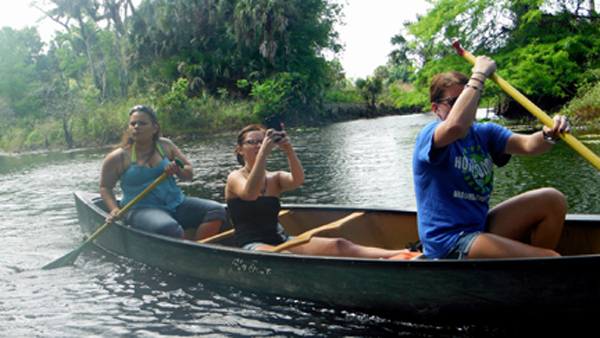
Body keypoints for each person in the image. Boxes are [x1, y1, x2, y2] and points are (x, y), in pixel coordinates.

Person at [413, 56, 571, 260]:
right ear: (436, 109)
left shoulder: (484, 133)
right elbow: (455, 125)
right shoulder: (430, 134)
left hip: (478, 228)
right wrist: (479, 75)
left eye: (471, 99)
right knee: (551, 259)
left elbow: (530, 145)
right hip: (449, 242)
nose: (467, 106)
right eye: (456, 102)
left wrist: (551, 133)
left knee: (553, 200)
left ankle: (532, 274)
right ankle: (539, 267)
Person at [225, 123, 410, 258]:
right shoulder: (235, 177)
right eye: (253, 142)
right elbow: (250, 193)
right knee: (287, 257)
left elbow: (298, 180)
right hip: (252, 245)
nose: (258, 145)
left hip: (280, 239)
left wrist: (289, 150)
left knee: (339, 245)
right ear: (240, 150)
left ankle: (402, 254)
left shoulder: (275, 178)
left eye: (262, 141)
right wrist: (263, 154)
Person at [99, 105, 226, 240]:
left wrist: (178, 169)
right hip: (140, 209)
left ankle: (199, 249)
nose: (136, 127)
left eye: (142, 123)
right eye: (133, 124)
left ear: (154, 128)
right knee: (169, 228)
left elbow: (189, 173)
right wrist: (114, 209)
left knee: (216, 211)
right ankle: (187, 252)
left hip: (176, 203)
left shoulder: (166, 146)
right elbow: (105, 187)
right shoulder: (118, 157)